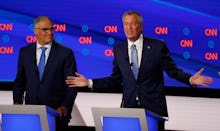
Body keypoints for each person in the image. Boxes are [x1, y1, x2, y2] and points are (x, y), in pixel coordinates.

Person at [65, 11, 213, 130]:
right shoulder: (119, 49)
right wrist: (89, 82)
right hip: (129, 109)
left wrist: (190, 79)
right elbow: (116, 78)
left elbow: (173, 71)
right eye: (126, 24)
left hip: (153, 111)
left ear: (140, 26)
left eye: (133, 24)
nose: (129, 28)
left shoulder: (157, 46)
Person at [13, 16, 77, 131]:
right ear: (35, 31)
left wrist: (65, 106)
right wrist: (17, 103)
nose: (50, 32)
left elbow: (71, 85)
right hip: (31, 114)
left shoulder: (65, 53)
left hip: (56, 115)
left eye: (52, 29)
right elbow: (20, 81)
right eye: (45, 29)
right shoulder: (25, 52)